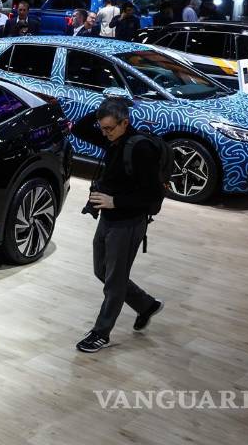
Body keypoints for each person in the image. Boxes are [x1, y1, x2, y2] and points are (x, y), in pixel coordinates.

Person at [73, 97, 167, 353]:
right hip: (109, 219)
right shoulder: (112, 139)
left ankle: (101, 333)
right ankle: (145, 304)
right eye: (102, 128)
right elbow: (79, 129)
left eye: (109, 128)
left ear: (125, 122)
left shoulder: (140, 149)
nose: (104, 133)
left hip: (128, 223)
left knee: (114, 281)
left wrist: (115, 202)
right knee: (102, 270)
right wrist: (103, 105)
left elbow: (153, 196)